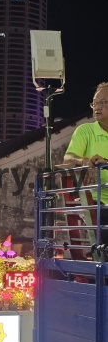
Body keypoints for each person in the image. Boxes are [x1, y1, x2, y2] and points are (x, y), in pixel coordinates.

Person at [64, 81, 108, 243]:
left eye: (103, 102)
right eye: (95, 103)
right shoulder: (86, 131)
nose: (97, 106)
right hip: (96, 200)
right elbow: (67, 160)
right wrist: (85, 162)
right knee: (102, 216)